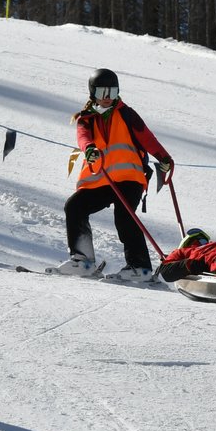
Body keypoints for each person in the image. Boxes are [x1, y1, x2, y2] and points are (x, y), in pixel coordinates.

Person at [59, 68, 174, 282]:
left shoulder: (126, 114)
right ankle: (82, 261)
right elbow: (83, 137)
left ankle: (140, 268)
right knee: (74, 206)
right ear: (93, 93)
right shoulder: (86, 118)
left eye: (112, 92)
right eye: (102, 92)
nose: (107, 98)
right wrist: (90, 149)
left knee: (125, 216)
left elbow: (147, 138)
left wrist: (164, 158)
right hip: (101, 180)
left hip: (130, 178)